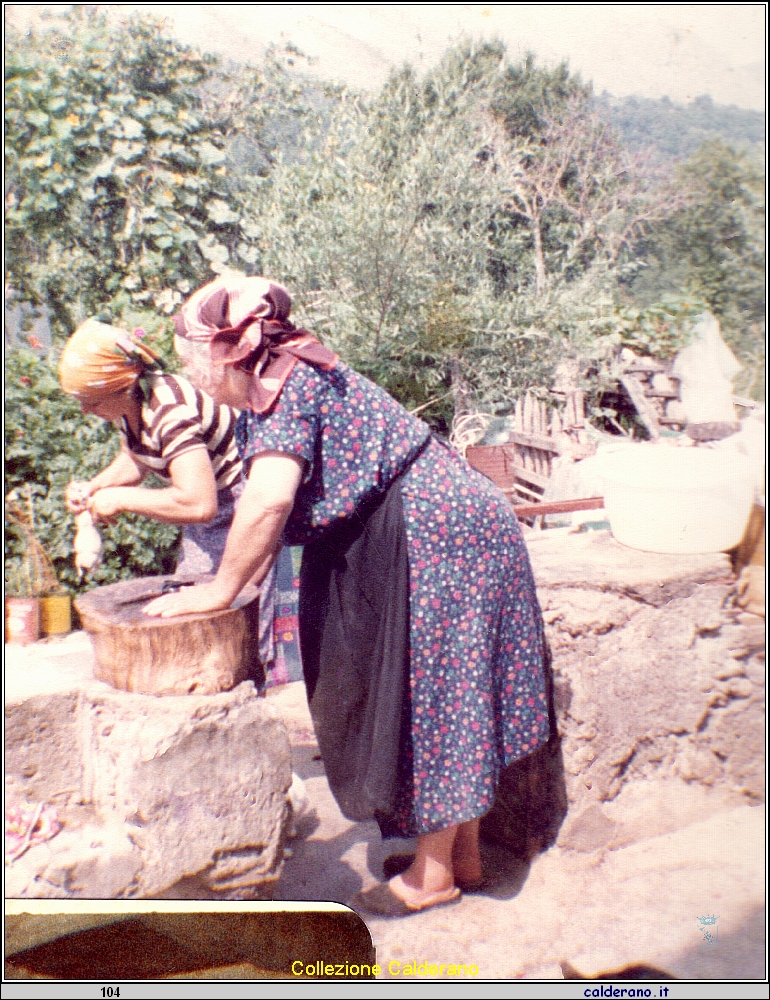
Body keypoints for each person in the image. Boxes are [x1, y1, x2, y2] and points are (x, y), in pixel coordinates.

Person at [144, 276, 551, 916]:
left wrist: (219, 589)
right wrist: (239, 586)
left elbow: (271, 498)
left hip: (439, 533)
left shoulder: (287, 391)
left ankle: (433, 876)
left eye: (190, 360)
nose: (190, 376)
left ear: (223, 354)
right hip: (452, 524)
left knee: (437, 694)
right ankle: (460, 855)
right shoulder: (288, 375)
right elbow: (277, 511)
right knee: (454, 689)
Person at [58, 318, 276, 667]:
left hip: (243, 504)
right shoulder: (129, 405)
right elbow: (138, 456)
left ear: (122, 387)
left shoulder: (170, 410)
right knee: (189, 606)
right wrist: (99, 485)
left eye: (92, 402)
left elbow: (198, 503)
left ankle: (254, 691)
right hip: (214, 507)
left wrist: (123, 499)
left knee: (238, 609)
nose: (86, 410)